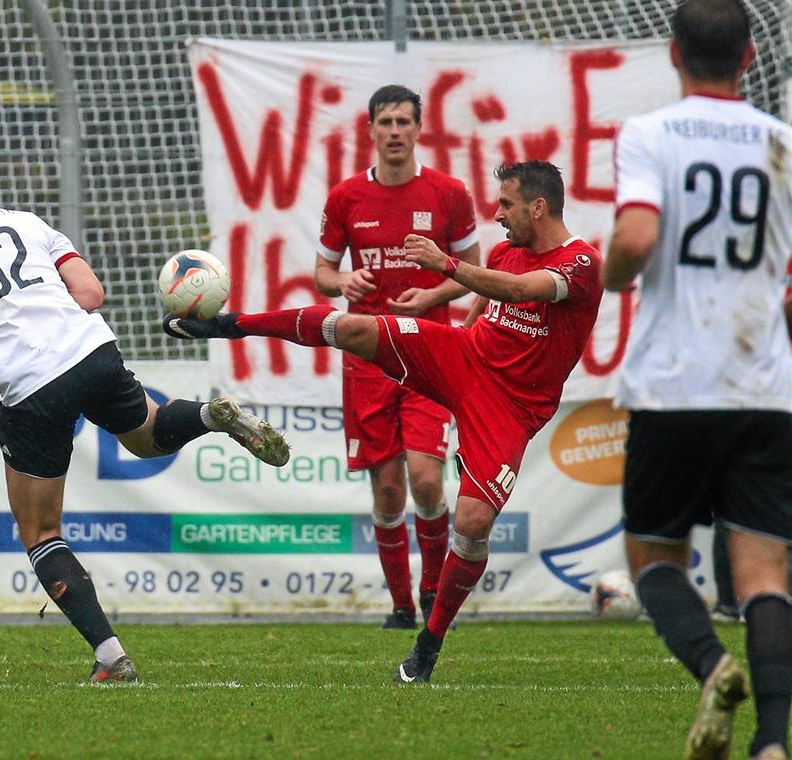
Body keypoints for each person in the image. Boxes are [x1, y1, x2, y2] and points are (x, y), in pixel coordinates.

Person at [166, 160, 602, 684]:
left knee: (472, 524)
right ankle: (228, 325)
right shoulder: (507, 249)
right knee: (351, 327)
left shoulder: (581, 263)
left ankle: (429, 642)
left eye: (506, 204)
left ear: (538, 206)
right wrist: (453, 333)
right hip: (464, 357)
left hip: (511, 406)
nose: (497, 213)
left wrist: (445, 265)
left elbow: (517, 292)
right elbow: (487, 307)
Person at [0, 145, 291, 684]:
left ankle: (111, 655)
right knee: (149, 437)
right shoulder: (24, 221)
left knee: (39, 532)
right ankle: (209, 416)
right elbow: (91, 293)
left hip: (33, 385)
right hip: (91, 350)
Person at [605, 1, 791, 757]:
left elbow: (638, 235)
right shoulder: (783, 145)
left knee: (653, 559)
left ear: (674, 55)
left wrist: (617, 271)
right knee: (765, 575)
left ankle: (713, 667)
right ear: (750, 58)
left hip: (675, 385)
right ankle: (774, 742)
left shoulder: (651, 134)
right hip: (763, 387)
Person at [314, 84, 479, 629]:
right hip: (368, 359)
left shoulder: (449, 193)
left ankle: (433, 591)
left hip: (429, 353)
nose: (394, 132)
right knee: (387, 489)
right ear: (370, 130)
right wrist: (344, 279)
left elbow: (472, 273)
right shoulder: (345, 198)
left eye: (403, 122)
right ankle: (401, 606)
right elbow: (322, 274)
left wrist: (434, 296)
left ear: (418, 129)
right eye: (384, 122)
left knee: (427, 480)